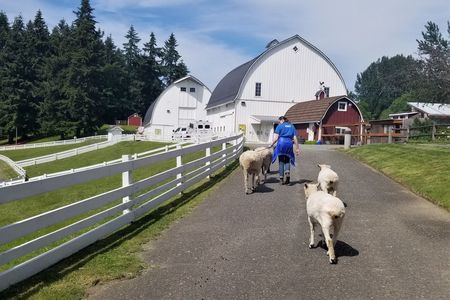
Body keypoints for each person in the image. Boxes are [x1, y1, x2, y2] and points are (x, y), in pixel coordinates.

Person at [270, 116, 300, 185]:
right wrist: (297, 148)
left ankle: (281, 180)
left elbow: (275, 138)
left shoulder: (279, 126)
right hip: (289, 144)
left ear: (282, 120)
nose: (279, 122)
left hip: (281, 143)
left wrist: (271, 145)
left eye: (279, 121)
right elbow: (295, 138)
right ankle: (287, 175)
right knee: (287, 160)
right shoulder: (292, 126)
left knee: (281, 161)